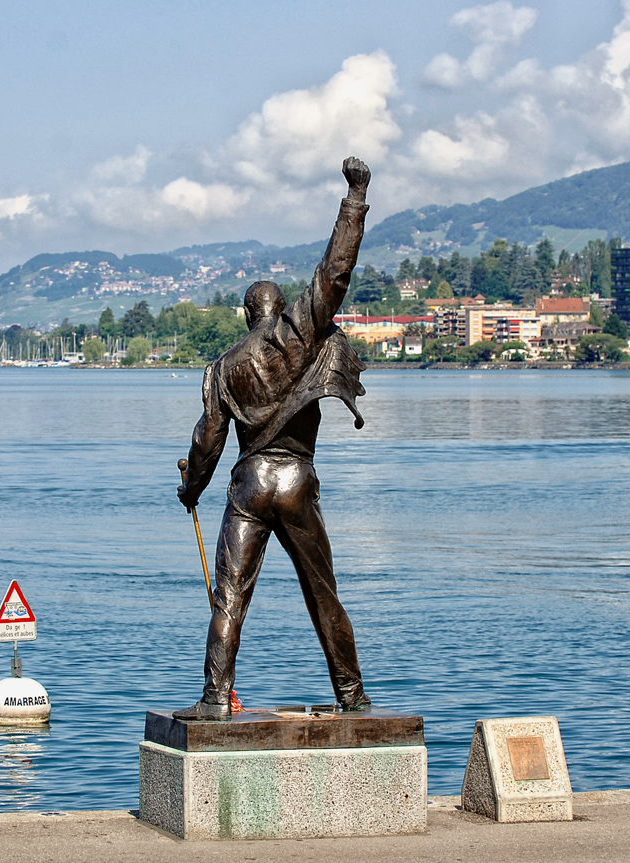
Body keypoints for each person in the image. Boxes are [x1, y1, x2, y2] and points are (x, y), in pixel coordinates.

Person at [174, 157, 373, 721]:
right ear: (282, 309)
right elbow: (335, 273)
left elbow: (208, 442)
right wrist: (354, 198)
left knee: (230, 594)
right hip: (296, 479)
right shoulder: (299, 335)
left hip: (249, 483)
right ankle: (352, 696)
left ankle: (215, 697)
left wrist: (192, 488)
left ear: (246, 316)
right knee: (322, 593)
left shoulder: (221, 368)